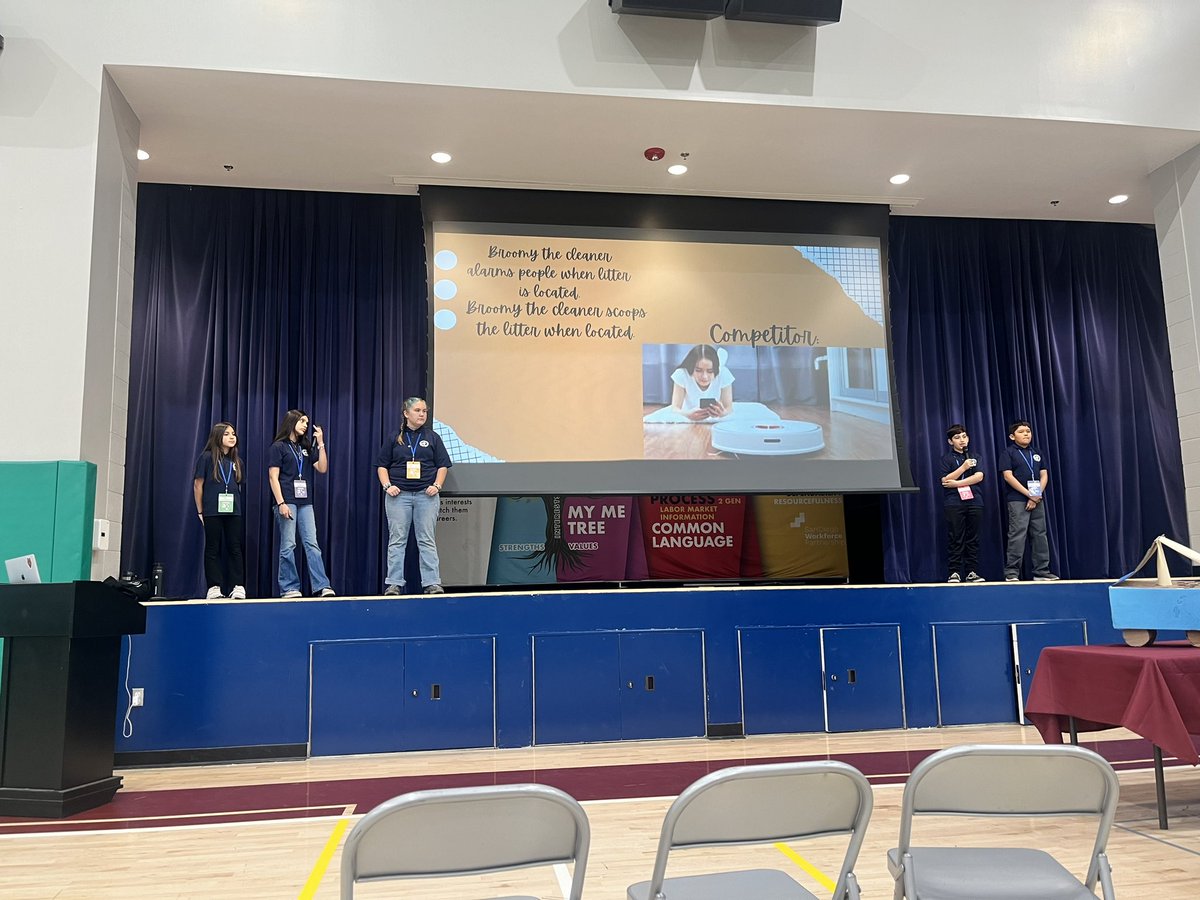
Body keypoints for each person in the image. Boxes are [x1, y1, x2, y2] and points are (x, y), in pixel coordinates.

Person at [376, 397, 452, 595]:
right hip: (398, 496)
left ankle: (432, 583)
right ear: (406, 413)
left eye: (424, 411)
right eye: (418, 410)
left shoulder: (432, 437)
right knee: (397, 539)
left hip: (426, 496)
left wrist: (437, 485)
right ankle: (394, 583)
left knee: (426, 539)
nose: (422, 414)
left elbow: (442, 465)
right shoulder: (395, 437)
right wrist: (387, 486)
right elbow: (382, 465)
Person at [268, 409, 334, 598]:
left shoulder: (305, 447)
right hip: (287, 500)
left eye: (307, 422)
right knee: (288, 545)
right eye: (302, 421)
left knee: (312, 543)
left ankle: (322, 585)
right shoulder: (278, 447)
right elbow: (273, 477)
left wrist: (320, 443)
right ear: (291, 422)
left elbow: (322, 468)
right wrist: (281, 503)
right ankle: (289, 587)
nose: (306, 425)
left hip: (306, 502)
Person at [192, 422, 246, 600]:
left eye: (233, 434)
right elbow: (198, 485)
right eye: (227, 434)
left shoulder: (237, 461)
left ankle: (237, 586)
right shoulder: (206, 458)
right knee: (213, 548)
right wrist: (201, 511)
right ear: (217, 437)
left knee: (234, 547)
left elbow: (238, 485)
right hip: (212, 510)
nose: (232, 437)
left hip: (233, 511)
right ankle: (214, 587)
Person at [1001, 419, 1058, 582]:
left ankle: (1041, 571)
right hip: (1017, 499)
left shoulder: (1036, 453)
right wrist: (1029, 494)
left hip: (1037, 498)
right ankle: (1012, 572)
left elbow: (1044, 474)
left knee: (1040, 533)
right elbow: (1007, 476)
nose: (1026, 434)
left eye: (1028, 431)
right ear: (1012, 436)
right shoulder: (1009, 453)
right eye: (1021, 431)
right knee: (1017, 534)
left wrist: (1037, 495)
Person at [939, 424, 985, 583]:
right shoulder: (947, 458)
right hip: (954, 502)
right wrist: (963, 467)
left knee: (973, 538)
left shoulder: (975, 456)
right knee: (956, 537)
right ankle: (954, 572)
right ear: (950, 441)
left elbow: (979, 477)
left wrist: (956, 483)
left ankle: (972, 571)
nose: (962, 440)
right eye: (957, 438)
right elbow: (945, 480)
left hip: (975, 501)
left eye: (964, 436)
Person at [670, 344, 734, 420]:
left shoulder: (723, 373)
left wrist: (723, 413)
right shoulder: (681, 374)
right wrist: (688, 415)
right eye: (698, 370)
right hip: (687, 420)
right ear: (691, 367)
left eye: (710, 371)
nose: (705, 377)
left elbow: (729, 408)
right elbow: (675, 409)